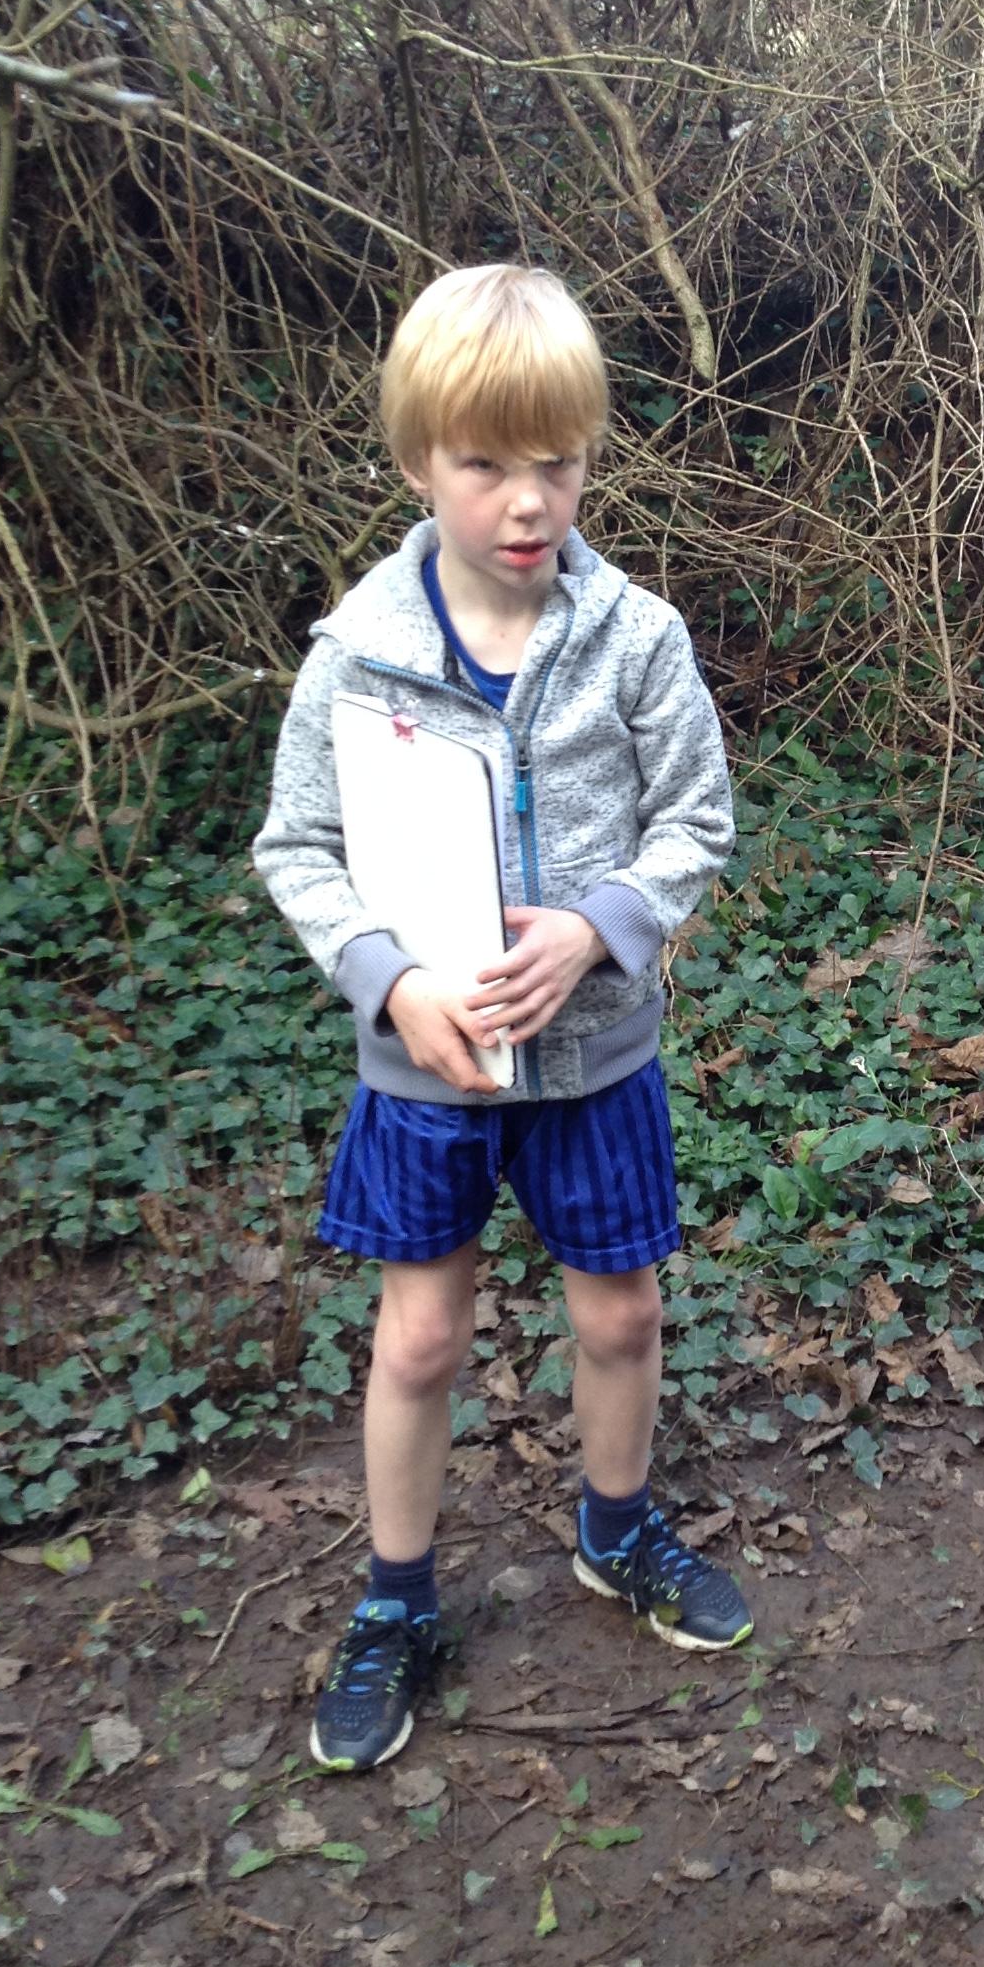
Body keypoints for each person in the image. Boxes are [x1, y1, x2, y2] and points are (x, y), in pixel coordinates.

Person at [254, 264, 750, 1774]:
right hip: (428, 1072)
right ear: (420, 462)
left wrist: (601, 926)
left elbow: (698, 819)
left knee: (622, 1313)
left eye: (559, 462)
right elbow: (298, 847)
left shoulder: (637, 635)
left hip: (598, 1061)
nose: (529, 502)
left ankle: (617, 1528)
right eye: (486, 465)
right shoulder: (359, 653)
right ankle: (395, 1600)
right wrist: (391, 979)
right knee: (418, 1341)